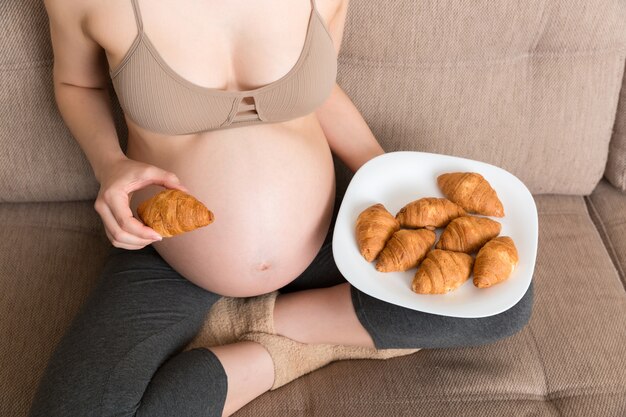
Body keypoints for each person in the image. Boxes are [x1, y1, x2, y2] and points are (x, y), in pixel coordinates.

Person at [30, 0, 534, 416]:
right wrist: (109, 164)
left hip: (333, 233)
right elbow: (79, 85)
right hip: (165, 250)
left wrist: (381, 174)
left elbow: (317, 89)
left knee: (504, 301)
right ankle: (303, 342)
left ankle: (279, 333)